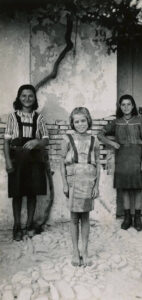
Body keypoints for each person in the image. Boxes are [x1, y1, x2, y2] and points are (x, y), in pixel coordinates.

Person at [98, 94, 142, 231]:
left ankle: (137, 218)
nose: (126, 107)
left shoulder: (140, 120)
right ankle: (127, 218)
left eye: (128, 104)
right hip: (122, 157)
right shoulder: (117, 122)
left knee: (137, 188)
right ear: (120, 107)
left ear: (133, 106)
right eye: (123, 105)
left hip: (137, 157)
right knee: (125, 188)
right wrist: (112, 143)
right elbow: (100, 134)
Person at [4, 84, 49, 241]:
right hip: (17, 159)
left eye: (30, 96)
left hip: (35, 159)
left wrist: (37, 142)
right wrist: (8, 162)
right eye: (24, 95)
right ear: (19, 98)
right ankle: (17, 226)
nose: (27, 99)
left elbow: (46, 139)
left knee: (32, 193)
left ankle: (29, 224)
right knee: (17, 193)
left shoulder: (39, 118)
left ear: (34, 98)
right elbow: (6, 142)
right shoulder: (12, 117)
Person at [60, 107, 100, 266]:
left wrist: (96, 186)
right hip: (73, 182)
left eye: (83, 120)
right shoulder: (67, 140)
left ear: (88, 121)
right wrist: (64, 184)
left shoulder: (94, 140)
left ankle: (85, 250)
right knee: (74, 217)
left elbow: (97, 165)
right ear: (72, 123)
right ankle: (75, 252)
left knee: (85, 217)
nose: (80, 124)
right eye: (76, 121)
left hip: (88, 182)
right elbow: (61, 163)